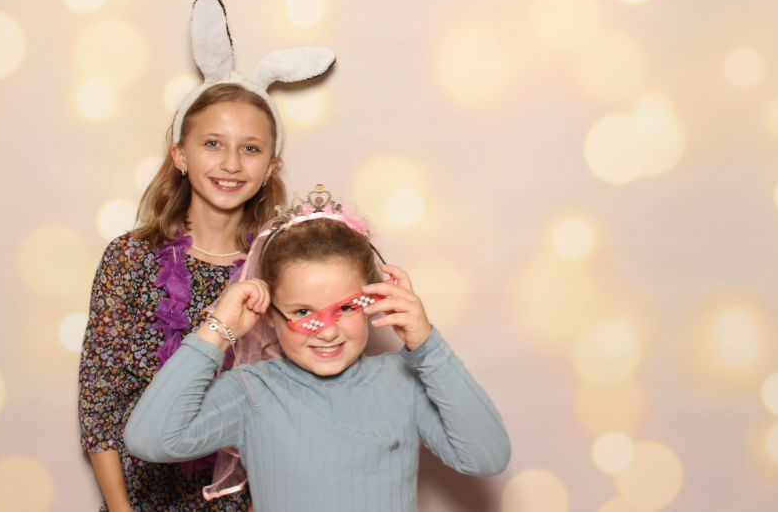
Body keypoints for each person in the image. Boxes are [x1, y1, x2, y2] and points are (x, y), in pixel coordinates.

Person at [78, 0, 335, 512]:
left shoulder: (282, 268)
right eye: (213, 143)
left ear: (270, 168)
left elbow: (299, 402)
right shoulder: (130, 259)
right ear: (180, 154)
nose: (231, 164)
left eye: (251, 148)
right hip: (142, 500)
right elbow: (100, 405)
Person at [124, 186, 511, 512]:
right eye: (303, 312)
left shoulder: (402, 382)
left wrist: (427, 345)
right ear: (270, 314)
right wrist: (217, 330)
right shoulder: (251, 392)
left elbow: (486, 457)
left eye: (346, 308)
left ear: (374, 300)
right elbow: (149, 439)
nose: (327, 332)